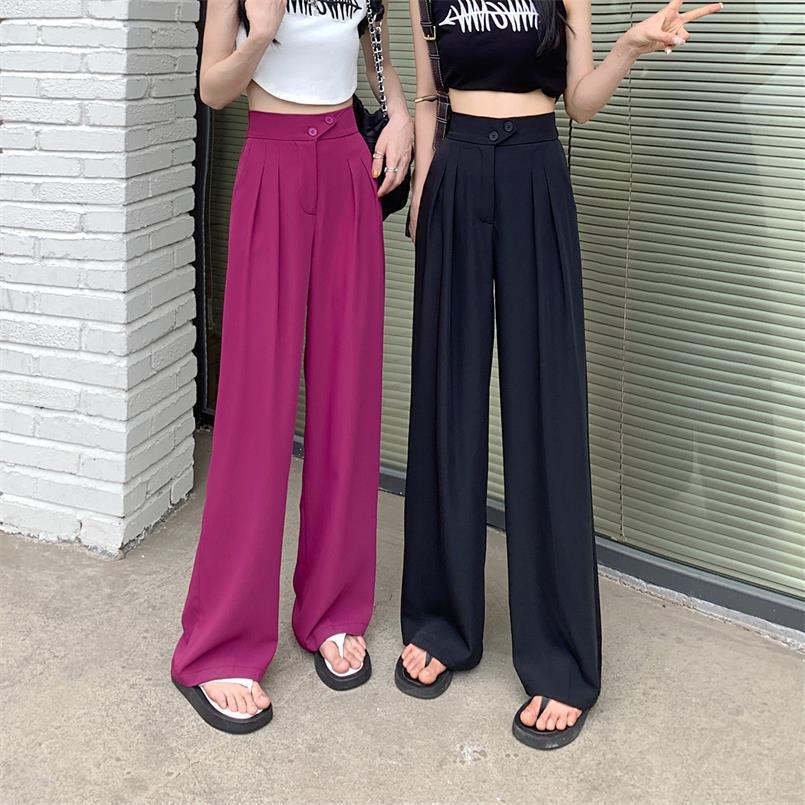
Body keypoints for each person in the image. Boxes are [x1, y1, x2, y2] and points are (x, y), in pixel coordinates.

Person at [397, 0, 723, 749]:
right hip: (454, 175)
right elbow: (430, 95)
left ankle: (560, 658)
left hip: (535, 174)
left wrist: (627, 49)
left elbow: (578, 102)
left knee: (545, 406)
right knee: (446, 397)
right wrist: (422, 188)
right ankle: (442, 622)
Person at [171, 0, 413, 733]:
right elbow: (214, 88)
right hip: (271, 162)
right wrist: (265, 32)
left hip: (345, 162)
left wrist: (400, 115)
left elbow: (375, 50)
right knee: (256, 410)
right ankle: (220, 645)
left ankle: (334, 609)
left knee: (347, 394)